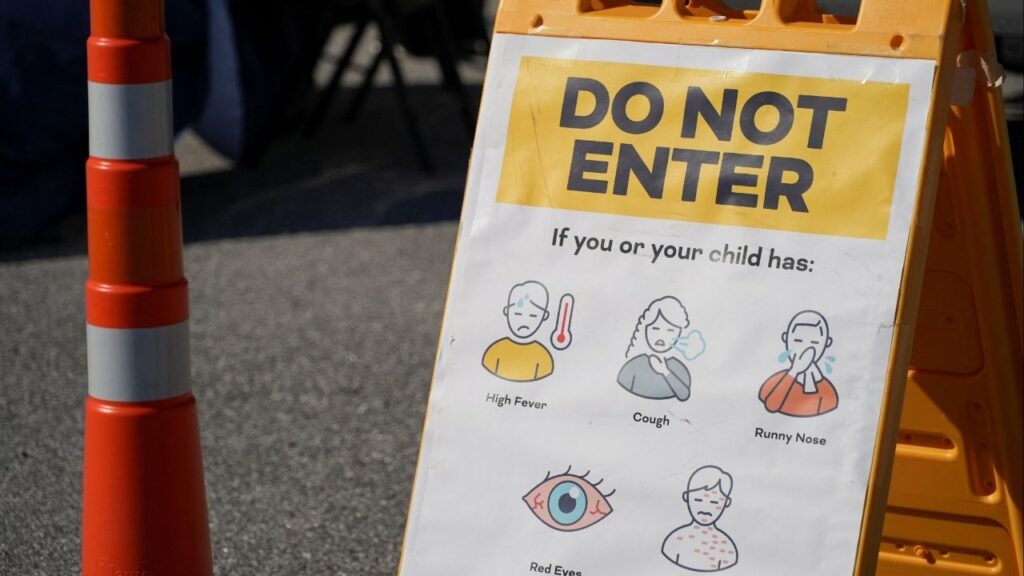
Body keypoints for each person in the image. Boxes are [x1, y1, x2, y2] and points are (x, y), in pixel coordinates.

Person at [758, 310, 839, 417]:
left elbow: (828, 409)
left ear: (827, 343)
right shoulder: (775, 382)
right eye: (798, 341)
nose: (805, 349)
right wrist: (794, 371)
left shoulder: (826, 390)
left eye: (814, 343)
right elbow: (771, 406)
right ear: (785, 338)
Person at [662, 465, 738, 572]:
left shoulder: (726, 549)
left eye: (714, 502)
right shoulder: (675, 540)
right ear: (686, 497)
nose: (705, 508)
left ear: (727, 503)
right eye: (698, 500)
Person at [617, 296, 692, 401]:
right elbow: (620, 393)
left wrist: (665, 371)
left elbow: (684, 395)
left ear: (679, 333)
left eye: (670, 330)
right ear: (645, 329)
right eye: (655, 328)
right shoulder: (633, 366)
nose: (661, 336)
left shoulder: (678, 368)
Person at [481, 281, 554, 382]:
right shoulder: (495, 351)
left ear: (544, 316)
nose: (524, 321)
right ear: (506, 311)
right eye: (517, 314)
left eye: (533, 316)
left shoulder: (543, 357)